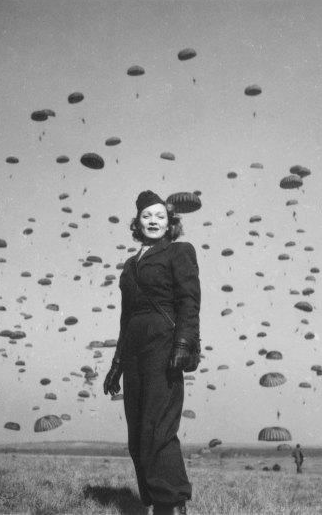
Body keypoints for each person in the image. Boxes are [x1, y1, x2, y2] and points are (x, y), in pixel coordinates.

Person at [104, 190, 201, 515]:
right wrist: (116, 363)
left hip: (164, 346)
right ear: (138, 223)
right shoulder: (130, 267)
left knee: (159, 427)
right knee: (138, 433)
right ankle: (157, 500)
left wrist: (183, 345)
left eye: (160, 216)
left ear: (170, 222)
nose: (154, 221)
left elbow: (189, 301)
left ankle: (172, 504)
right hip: (134, 352)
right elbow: (125, 318)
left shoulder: (180, 252)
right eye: (147, 216)